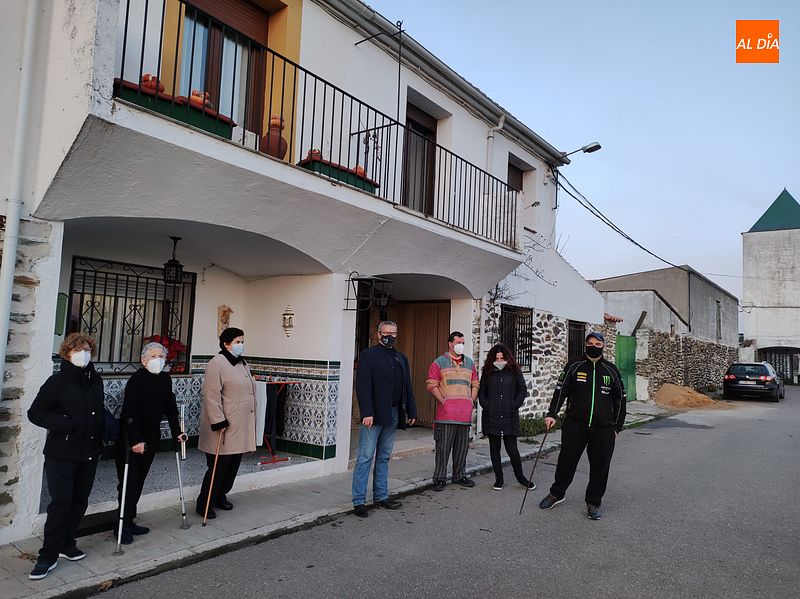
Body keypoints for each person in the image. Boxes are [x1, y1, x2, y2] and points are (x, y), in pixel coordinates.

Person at [26, 333, 104, 580]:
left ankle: (66, 544)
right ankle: (47, 556)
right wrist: (66, 424)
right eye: (79, 349)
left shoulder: (95, 380)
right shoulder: (57, 382)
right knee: (61, 504)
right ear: (67, 353)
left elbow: (96, 411)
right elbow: (35, 413)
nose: (84, 353)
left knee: (80, 501)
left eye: (88, 349)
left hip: (89, 452)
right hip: (63, 453)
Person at [539, 331, 626, 520]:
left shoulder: (611, 370)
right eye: (590, 343)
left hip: (603, 429)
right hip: (575, 425)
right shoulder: (574, 365)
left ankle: (593, 503)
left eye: (597, 344)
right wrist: (551, 414)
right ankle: (557, 493)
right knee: (566, 461)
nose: (593, 346)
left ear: (603, 346)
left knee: (600, 467)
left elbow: (620, 399)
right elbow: (560, 390)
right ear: (585, 344)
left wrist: (617, 427)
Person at [115, 342, 188, 544]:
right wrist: (136, 440)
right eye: (154, 356)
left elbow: (170, 408)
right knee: (129, 482)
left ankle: (129, 519)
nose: (158, 360)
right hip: (131, 439)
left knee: (139, 481)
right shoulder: (137, 380)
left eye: (161, 356)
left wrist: (177, 432)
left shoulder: (165, 379)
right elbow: (128, 412)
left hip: (151, 437)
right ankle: (122, 526)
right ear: (144, 360)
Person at [351, 320, 417, 517]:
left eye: (394, 333)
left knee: (384, 456)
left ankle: (381, 495)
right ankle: (359, 501)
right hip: (374, 415)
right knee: (365, 457)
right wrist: (367, 413)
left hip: (394, 413)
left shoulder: (400, 357)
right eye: (386, 333)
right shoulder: (368, 355)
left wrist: (411, 411)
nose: (390, 336)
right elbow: (362, 387)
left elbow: (408, 387)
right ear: (379, 335)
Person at [196, 327, 257, 519]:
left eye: (242, 341)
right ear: (226, 343)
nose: (241, 345)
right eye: (238, 341)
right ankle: (205, 503)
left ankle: (221, 496)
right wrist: (218, 420)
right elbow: (211, 394)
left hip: (240, 425)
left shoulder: (242, 363)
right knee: (218, 467)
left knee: (232, 466)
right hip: (224, 425)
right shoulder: (218, 363)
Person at [427, 331, 480, 491]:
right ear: (450, 344)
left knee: (462, 448)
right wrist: (443, 401)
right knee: (443, 449)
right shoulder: (438, 363)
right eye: (458, 342)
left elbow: (475, 383)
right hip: (446, 416)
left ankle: (459, 475)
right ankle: (439, 478)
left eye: (463, 342)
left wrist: (471, 400)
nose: (461, 345)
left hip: (464, 416)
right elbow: (431, 385)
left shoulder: (470, 363)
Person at [478, 344, 535, 491]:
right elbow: (481, 391)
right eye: (496, 358)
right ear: (492, 359)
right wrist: (486, 405)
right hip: (492, 415)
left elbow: (522, 389)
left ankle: (521, 477)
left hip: (510, 415)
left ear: (507, 358)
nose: (499, 361)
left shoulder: (515, 371)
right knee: (494, 449)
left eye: (502, 358)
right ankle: (499, 479)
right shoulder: (487, 372)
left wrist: (515, 404)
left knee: (512, 450)